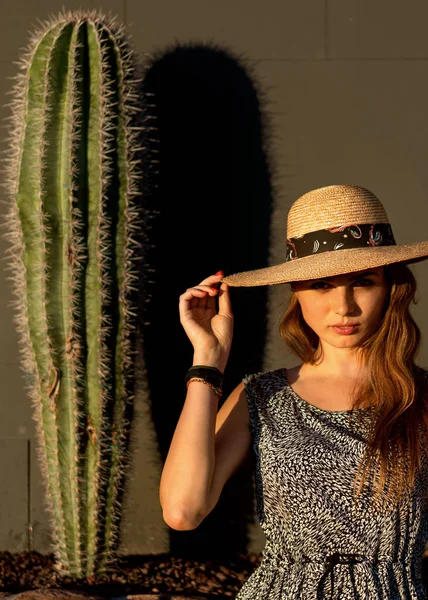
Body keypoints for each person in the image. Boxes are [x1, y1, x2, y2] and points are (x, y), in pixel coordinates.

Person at [159, 184, 428, 599]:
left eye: (363, 281)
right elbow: (182, 511)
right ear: (296, 290)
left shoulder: (422, 397)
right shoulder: (263, 397)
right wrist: (208, 359)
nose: (345, 306)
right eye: (321, 284)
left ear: (391, 287)